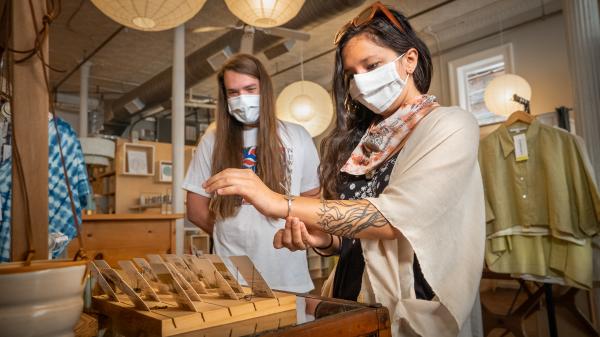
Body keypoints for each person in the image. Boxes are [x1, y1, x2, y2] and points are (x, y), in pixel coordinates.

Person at [202, 2, 485, 337]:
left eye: (372, 65)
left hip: (412, 309)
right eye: (353, 73)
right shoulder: (367, 141)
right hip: (354, 301)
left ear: (410, 60)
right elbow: (356, 235)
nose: (362, 82)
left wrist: (279, 202)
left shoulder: (449, 125)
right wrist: (325, 240)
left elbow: (392, 217)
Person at [183, 54, 321, 293]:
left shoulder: (298, 136)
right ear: (225, 96)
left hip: (288, 273)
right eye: (233, 92)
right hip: (231, 276)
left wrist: (293, 235)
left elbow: (314, 202)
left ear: (264, 89)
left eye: (250, 89)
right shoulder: (212, 139)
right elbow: (195, 210)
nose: (242, 98)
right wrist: (228, 232)